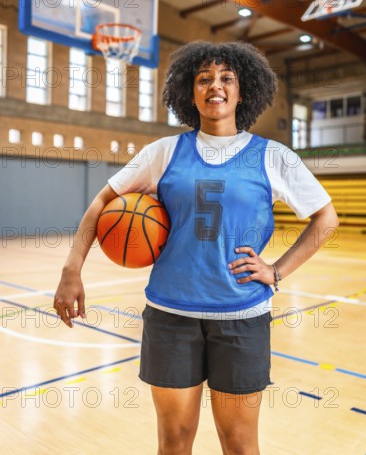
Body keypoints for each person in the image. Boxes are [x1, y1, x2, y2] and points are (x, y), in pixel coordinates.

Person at [54, 41, 339, 455]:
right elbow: (101, 203)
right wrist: (71, 269)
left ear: (244, 92)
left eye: (227, 78)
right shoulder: (163, 152)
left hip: (242, 316)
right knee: (174, 441)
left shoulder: (273, 156)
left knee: (240, 444)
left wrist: (276, 271)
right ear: (190, 93)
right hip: (171, 316)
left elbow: (325, 219)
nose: (215, 86)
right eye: (203, 78)